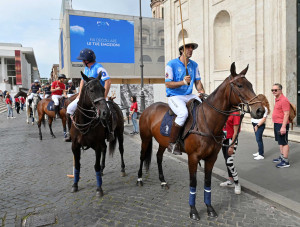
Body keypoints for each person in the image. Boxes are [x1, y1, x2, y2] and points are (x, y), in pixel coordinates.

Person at [165, 38, 205, 155]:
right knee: (183, 113)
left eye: (192, 47)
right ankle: (172, 143)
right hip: (175, 96)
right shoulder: (171, 64)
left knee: (205, 108)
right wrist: (182, 82)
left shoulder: (194, 65)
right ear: (181, 50)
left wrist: (201, 90)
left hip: (189, 95)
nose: (191, 49)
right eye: (188, 47)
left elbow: (198, 82)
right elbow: (167, 83)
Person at [66, 48, 114, 142]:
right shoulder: (86, 69)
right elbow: (82, 81)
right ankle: (70, 133)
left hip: (98, 97)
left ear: (86, 60)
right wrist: (79, 94)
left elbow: (108, 81)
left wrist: (104, 96)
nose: (82, 62)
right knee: (69, 109)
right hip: (87, 97)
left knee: (108, 112)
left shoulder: (99, 67)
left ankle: (109, 132)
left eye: (82, 60)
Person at [220, 111, 241, 195]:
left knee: (229, 162)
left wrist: (232, 145)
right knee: (226, 161)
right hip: (224, 139)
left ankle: (237, 183)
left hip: (231, 140)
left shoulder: (235, 113)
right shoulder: (225, 110)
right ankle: (230, 180)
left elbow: (236, 132)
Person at [272, 83, 291, 168]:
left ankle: (285, 161)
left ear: (280, 90)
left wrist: (283, 127)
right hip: (277, 123)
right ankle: (282, 156)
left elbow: (286, 114)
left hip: (281, 124)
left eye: (275, 90)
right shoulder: (277, 99)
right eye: (272, 90)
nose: (274, 92)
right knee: (280, 142)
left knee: (284, 142)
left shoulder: (284, 100)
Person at [251, 94, 270, 160]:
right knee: (257, 139)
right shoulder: (258, 107)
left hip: (259, 125)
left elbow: (264, 119)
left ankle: (261, 154)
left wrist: (257, 125)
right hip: (254, 123)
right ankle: (259, 152)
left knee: (259, 139)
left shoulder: (264, 108)